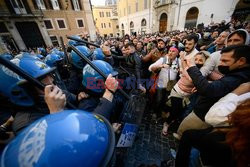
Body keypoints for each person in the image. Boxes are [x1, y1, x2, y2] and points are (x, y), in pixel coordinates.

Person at [175, 45, 250, 139]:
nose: (220, 64)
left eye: (225, 61)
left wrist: (192, 67)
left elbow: (209, 90)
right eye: (220, 60)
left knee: (185, 135)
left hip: (204, 115)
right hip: (205, 113)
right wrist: (210, 83)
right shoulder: (237, 74)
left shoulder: (240, 77)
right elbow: (223, 87)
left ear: (241, 61)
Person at [175, 94, 250, 167]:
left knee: (189, 140)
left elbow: (210, 118)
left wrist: (235, 93)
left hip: (206, 156)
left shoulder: (222, 140)